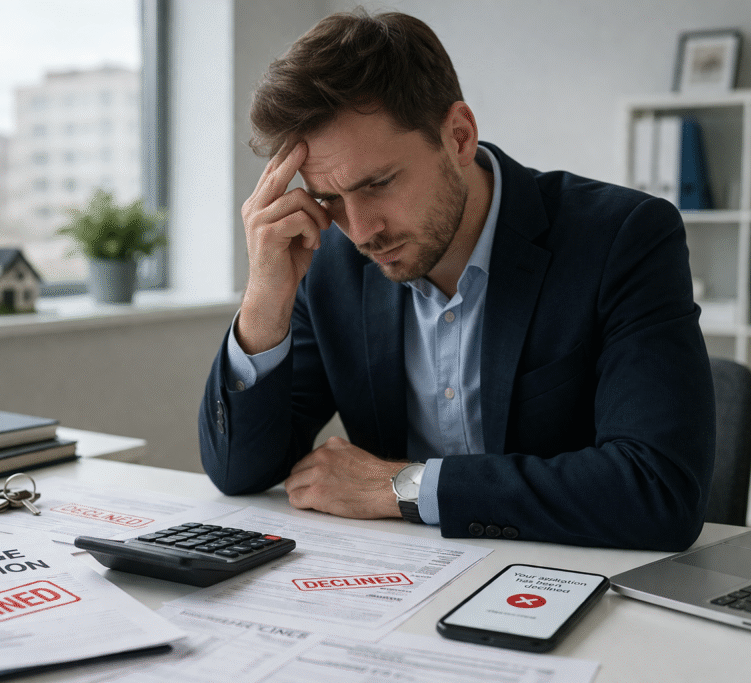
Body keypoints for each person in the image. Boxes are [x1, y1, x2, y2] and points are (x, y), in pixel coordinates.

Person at [198, 8, 715, 550]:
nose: (361, 230)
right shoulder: (331, 260)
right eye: (330, 197)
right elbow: (239, 472)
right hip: (403, 584)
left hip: (576, 583)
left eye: (378, 183)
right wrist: (264, 300)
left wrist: (400, 487)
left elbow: (659, 491)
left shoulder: (621, 239)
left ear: (460, 136)